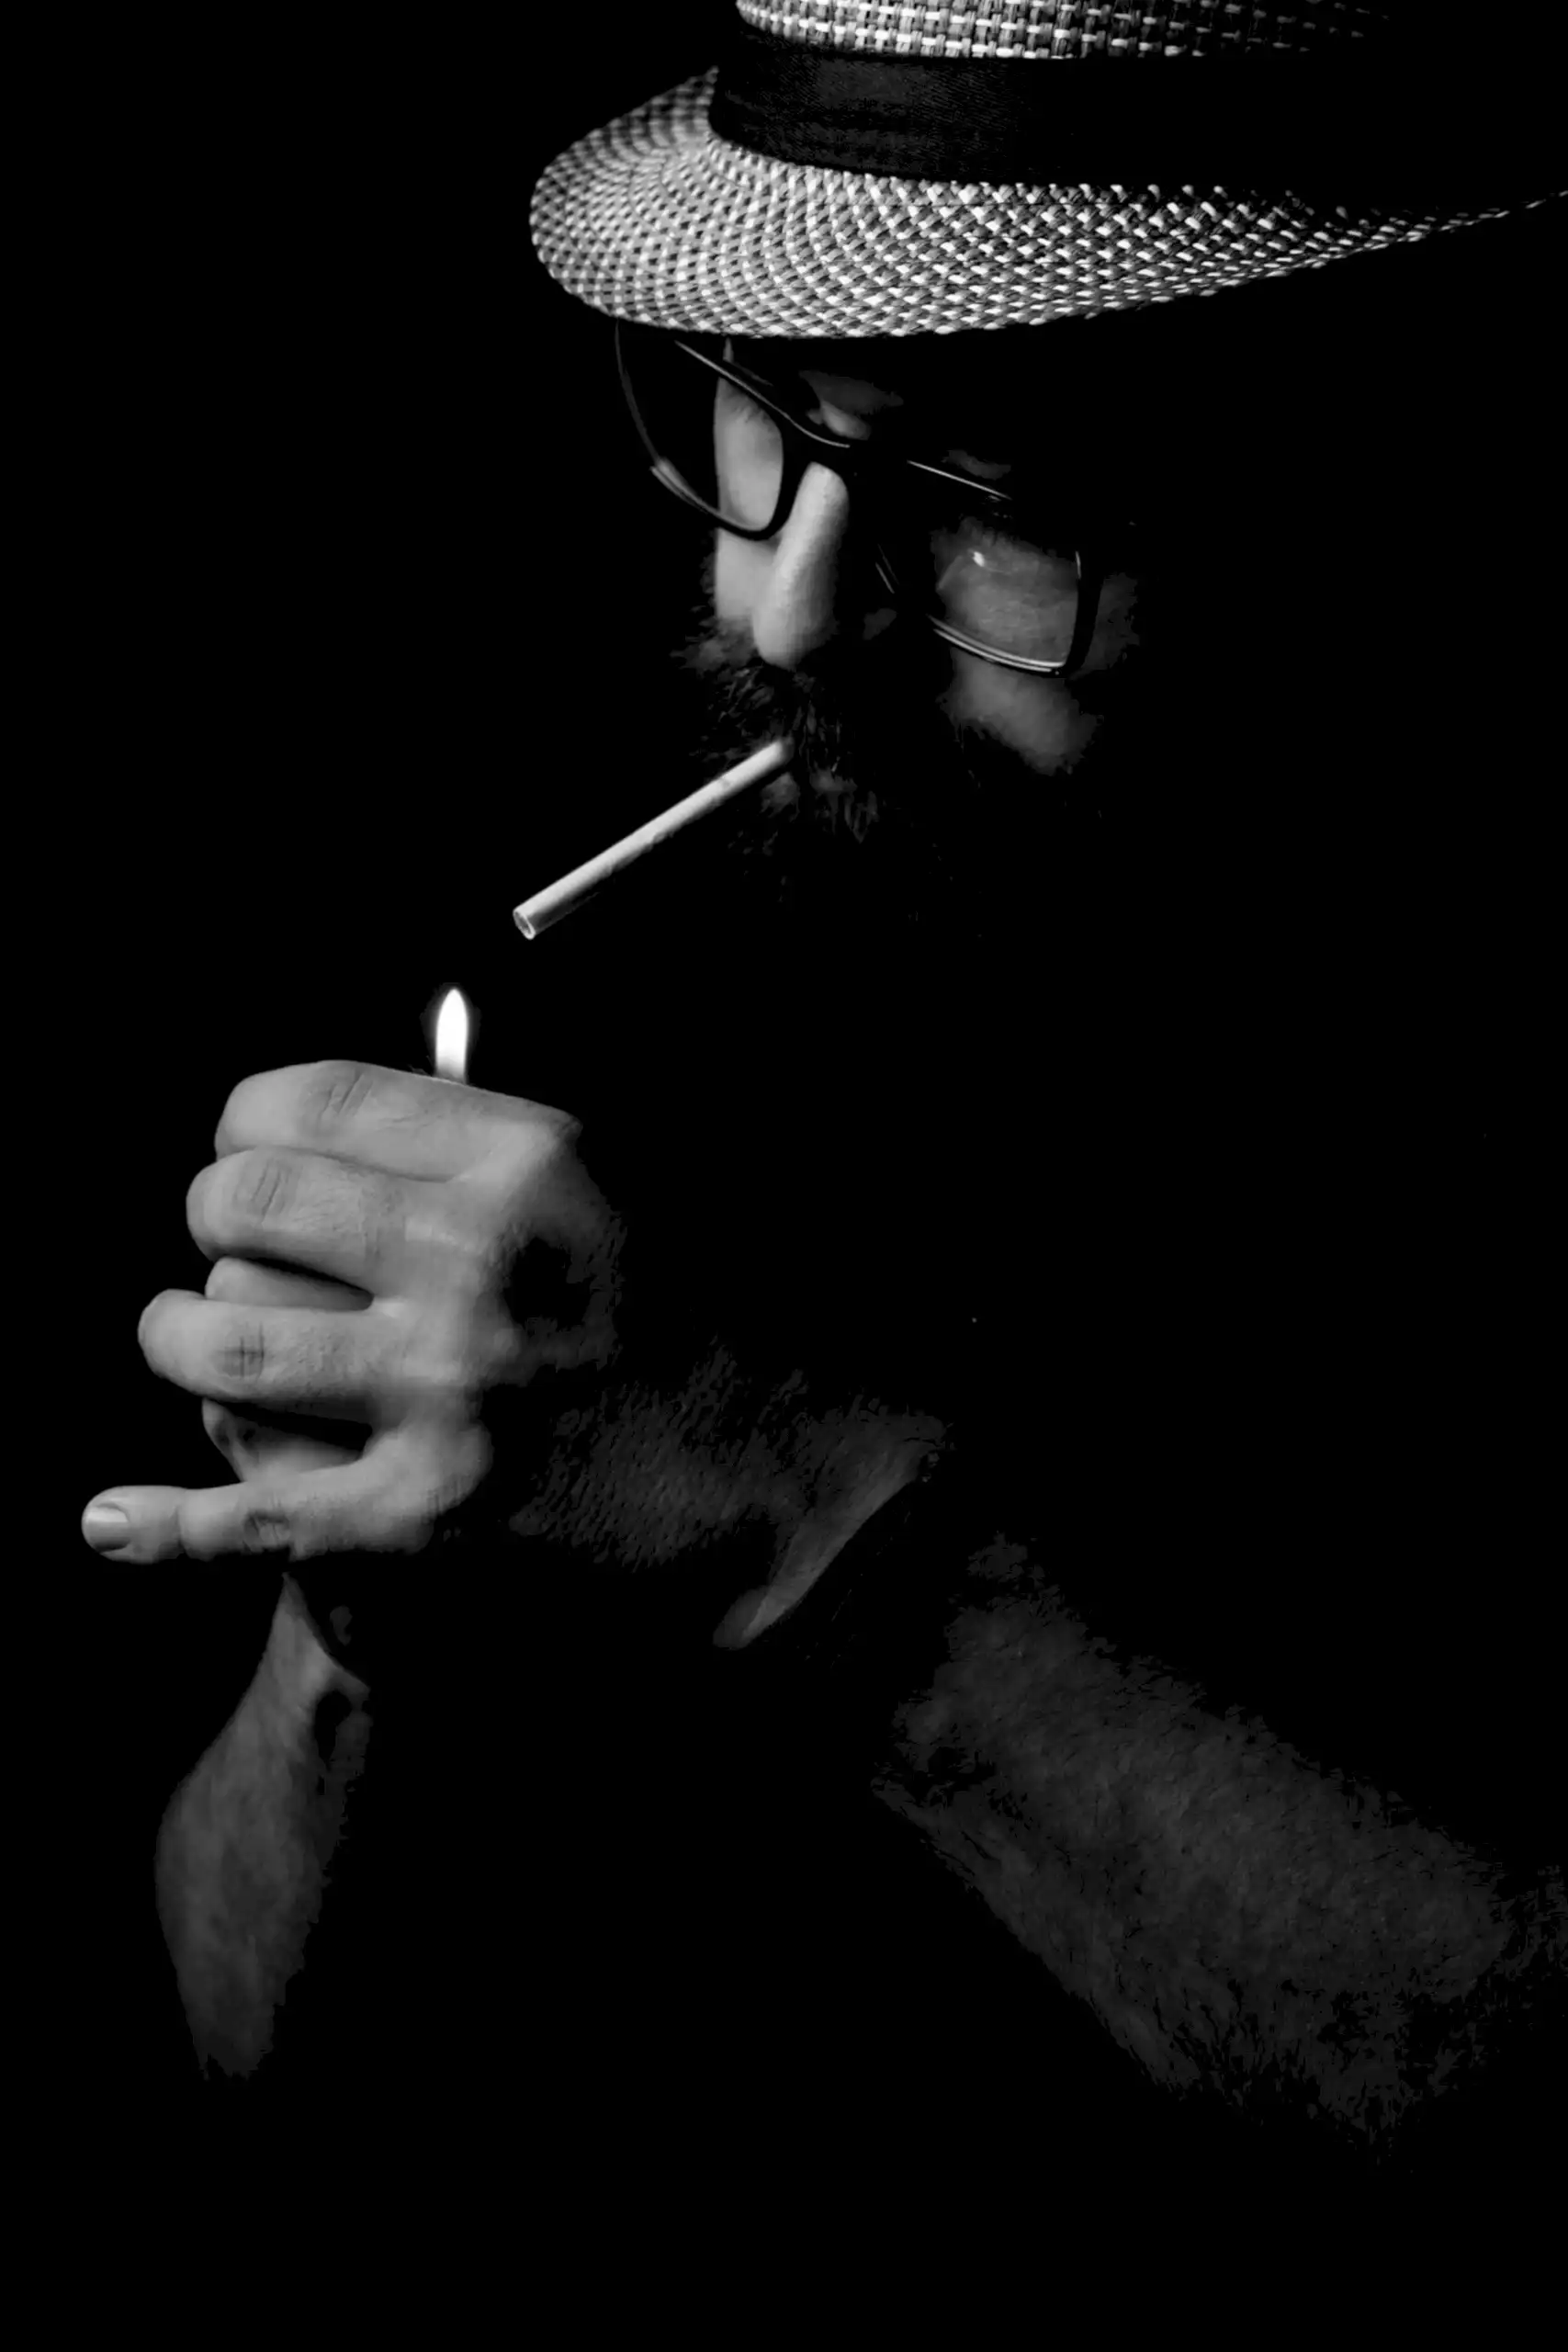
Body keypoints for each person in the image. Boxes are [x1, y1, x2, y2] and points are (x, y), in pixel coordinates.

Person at [83, 2, 1563, 2210]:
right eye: (770, 416)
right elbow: (221, 2055)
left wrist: (778, 1508)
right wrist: (353, 1629)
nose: (788, 609)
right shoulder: (684, 970)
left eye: (993, 498)